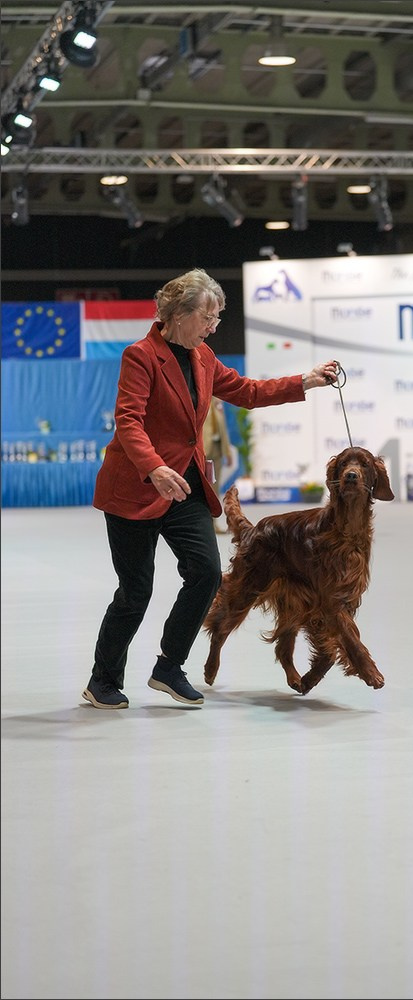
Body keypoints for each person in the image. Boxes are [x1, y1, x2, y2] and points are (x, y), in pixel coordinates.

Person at [82, 267, 339, 710]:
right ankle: (102, 680)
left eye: (218, 317)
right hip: (136, 489)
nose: (214, 325)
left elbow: (248, 390)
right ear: (177, 314)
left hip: (185, 488)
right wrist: (155, 468)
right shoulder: (140, 355)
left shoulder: (204, 357)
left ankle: (169, 667)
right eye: (208, 316)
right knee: (135, 591)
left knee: (205, 574)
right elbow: (128, 421)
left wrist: (305, 381)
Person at [202, 397, 233, 533]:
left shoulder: (217, 404)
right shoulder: (199, 402)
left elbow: (224, 430)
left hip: (217, 449)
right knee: (201, 490)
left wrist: (227, 452)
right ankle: (202, 526)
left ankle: (213, 524)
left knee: (214, 489)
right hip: (202, 451)